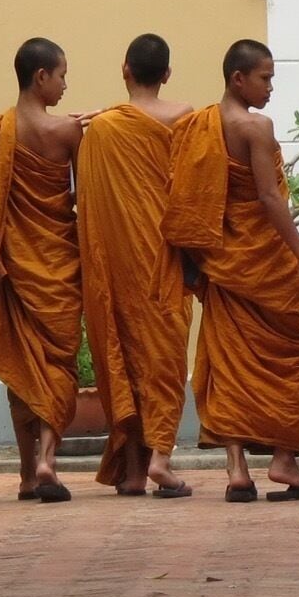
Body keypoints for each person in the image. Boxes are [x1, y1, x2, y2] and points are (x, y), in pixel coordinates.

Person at [163, 40, 299, 502]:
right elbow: (269, 198)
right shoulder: (256, 127)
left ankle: (237, 470)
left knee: (228, 361)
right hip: (264, 260)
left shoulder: (198, 126)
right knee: (298, 349)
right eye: (265, 77)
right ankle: (283, 460)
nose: (271, 87)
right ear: (238, 79)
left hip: (223, 261)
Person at [0, 37, 86, 504]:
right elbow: (84, 198)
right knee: (58, 365)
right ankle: (47, 459)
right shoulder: (68, 133)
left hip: (14, 264)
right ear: (41, 77)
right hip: (57, 262)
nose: (65, 85)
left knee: (22, 371)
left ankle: (26, 473)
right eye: (62, 76)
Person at [79, 34, 196, 498]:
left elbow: (89, 202)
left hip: (120, 267)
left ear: (124, 69)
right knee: (164, 361)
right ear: (167, 73)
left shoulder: (105, 127)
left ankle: (132, 471)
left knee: (124, 361)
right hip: (166, 262)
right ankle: (160, 460)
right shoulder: (188, 118)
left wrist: (102, 118)